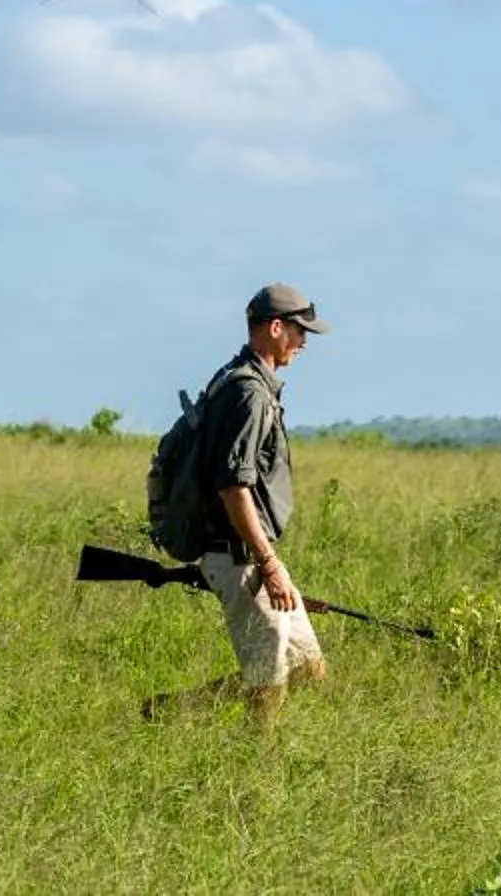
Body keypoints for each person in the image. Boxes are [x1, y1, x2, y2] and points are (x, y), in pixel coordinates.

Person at [154, 282, 333, 725]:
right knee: (266, 688)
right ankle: (257, 780)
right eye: (298, 331)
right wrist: (268, 566)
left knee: (309, 669)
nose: (304, 341)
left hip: (248, 555)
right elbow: (233, 487)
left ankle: (167, 711)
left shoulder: (244, 379)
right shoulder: (249, 392)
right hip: (240, 557)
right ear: (275, 328)